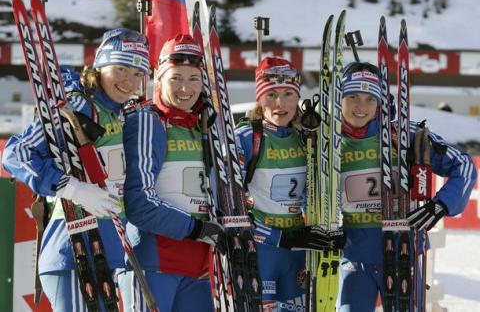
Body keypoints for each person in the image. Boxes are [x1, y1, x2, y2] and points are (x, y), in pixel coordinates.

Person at [2, 27, 150, 311]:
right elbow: (15, 153)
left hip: (105, 249)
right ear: (100, 65)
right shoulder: (81, 105)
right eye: (120, 68)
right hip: (73, 248)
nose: (128, 81)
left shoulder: (118, 112)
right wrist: (72, 188)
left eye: (136, 73)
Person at [337, 61, 477, 311]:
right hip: (353, 258)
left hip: (402, 253)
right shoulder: (327, 140)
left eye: (370, 99)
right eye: (352, 97)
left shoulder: (404, 135)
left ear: (381, 101)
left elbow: (464, 166)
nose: (361, 107)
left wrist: (440, 205)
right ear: (339, 98)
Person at [122, 34, 225, 312]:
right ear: (159, 77)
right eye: (175, 78)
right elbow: (139, 203)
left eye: (193, 79)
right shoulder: (148, 121)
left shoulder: (205, 127)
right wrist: (197, 229)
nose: (185, 88)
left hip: (200, 269)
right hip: (154, 263)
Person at [235, 57, 343, 311]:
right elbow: (229, 203)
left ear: (298, 98)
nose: (280, 104)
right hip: (261, 251)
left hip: (299, 251)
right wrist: (277, 237)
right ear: (260, 99)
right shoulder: (247, 138)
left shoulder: (308, 139)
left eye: (288, 94)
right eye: (271, 94)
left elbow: (319, 193)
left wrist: (327, 230)